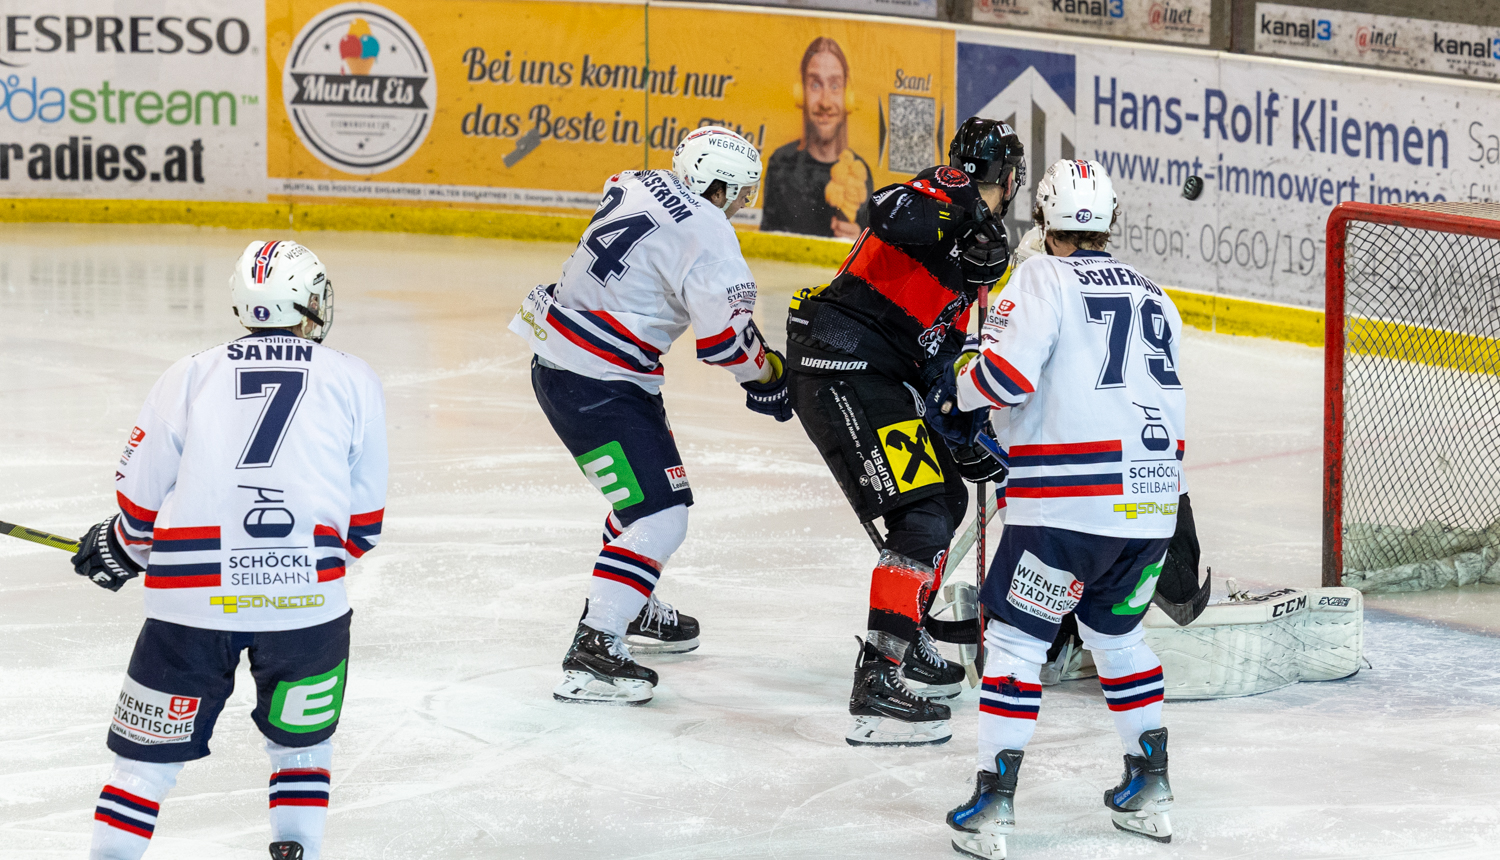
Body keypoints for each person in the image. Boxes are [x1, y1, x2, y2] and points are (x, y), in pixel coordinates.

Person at [72, 240, 387, 860]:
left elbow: (138, 495)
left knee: (143, 766)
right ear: (309, 302)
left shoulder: (188, 373)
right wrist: (298, 569)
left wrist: (124, 546)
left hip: (189, 610)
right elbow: (364, 524)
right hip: (307, 609)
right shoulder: (354, 377)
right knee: (302, 750)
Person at [936, 159, 1186, 858]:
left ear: (1045, 221)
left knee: (1016, 645)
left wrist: (956, 389)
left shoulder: (1041, 277)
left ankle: (992, 804)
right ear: (1110, 221)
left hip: (1064, 511)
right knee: (1119, 639)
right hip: (1151, 508)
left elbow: (1004, 378)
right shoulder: (1154, 292)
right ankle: (1151, 786)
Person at [509, 125, 792, 706]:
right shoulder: (709, 233)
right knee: (662, 516)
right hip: (597, 382)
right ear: (717, 187)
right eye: (740, 192)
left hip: (565, 361)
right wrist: (768, 376)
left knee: (640, 497)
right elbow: (727, 342)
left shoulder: (638, 181)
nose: (742, 204)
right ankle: (594, 652)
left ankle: (629, 602)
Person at [785, 117, 1024, 746]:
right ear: (1008, 179)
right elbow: (885, 210)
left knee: (944, 499)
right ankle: (877, 678)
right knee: (922, 515)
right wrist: (964, 211)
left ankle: (905, 631)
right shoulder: (945, 189)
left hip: (875, 375)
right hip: (843, 365)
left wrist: (965, 437)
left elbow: (940, 357)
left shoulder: (981, 248)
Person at [760, 37, 874, 239]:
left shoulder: (860, 171)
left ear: (848, 97)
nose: (825, 102)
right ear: (801, 94)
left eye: (835, 86)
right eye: (815, 85)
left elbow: (872, 252)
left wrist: (860, 241)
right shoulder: (781, 163)